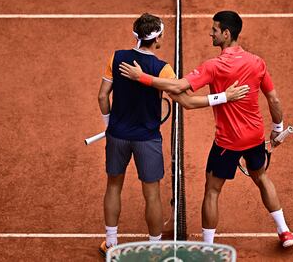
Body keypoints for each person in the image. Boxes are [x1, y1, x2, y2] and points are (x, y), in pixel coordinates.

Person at [119, 10, 293, 248]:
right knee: (262, 178)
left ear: (226, 33)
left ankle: (208, 246)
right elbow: (273, 100)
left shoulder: (214, 66)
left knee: (212, 191)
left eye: (214, 29)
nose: (210, 33)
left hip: (227, 142)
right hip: (255, 137)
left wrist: (142, 77)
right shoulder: (257, 62)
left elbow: (180, 86)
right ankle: (285, 231)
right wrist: (277, 128)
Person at [97, 13, 249, 257]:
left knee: (113, 186)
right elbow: (187, 102)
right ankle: (154, 248)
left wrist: (108, 125)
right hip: (147, 139)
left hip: (117, 135)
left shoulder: (116, 58)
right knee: (152, 195)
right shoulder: (163, 69)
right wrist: (224, 97)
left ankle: (111, 242)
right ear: (158, 38)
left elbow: (103, 96)